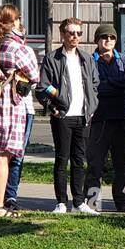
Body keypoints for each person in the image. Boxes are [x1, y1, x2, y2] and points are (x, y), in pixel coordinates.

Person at [0, 4, 40, 218]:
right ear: (13, 21)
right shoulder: (15, 47)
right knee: (4, 157)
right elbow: (34, 75)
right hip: (8, 105)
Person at [36, 17, 99, 214]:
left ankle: (79, 202)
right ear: (63, 35)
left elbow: (95, 85)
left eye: (78, 33)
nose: (75, 36)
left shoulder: (87, 58)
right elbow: (42, 87)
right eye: (71, 33)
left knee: (80, 160)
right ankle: (61, 202)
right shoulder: (52, 58)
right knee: (62, 159)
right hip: (63, 116)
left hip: (83, 116)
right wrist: (51, 106)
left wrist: (92, 105)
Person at [84, 23, 125, 212]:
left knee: (122, 165)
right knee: (95, 164)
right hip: (99, 120)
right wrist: (114, 84)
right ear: (97, 40)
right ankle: (92, 202)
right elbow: (93, 87)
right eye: (104, 37)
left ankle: (122, 202)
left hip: (121, 118)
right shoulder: (90, 61)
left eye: (112, 38)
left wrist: (107, 82)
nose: (108, 41)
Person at [1, 18, 41, 217]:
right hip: (13, 106)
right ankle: (4, 197)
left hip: (24, 107)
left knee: (15, 155)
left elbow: (34, 81)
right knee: (8, 155)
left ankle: (10, 196)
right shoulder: (9, 49)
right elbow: (34, 77)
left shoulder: (23, 50)